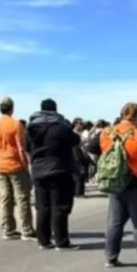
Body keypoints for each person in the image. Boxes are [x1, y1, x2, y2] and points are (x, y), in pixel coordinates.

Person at [87, 103, 137, 271]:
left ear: (121, 114)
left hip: (115, 183)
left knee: (114, 223)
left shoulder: (106, 132)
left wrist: (105, 164)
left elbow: (91, 150)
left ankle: (111, 258)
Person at [27, 100, 79, 251]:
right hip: (59, 169)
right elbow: (76, 140)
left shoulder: (32, 128)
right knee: (60, 206)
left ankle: (43, 241)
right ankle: (61, 241)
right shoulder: (61, 126)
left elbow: (27, 148)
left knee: (42, 206)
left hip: (38, 170)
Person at [0, 97, 36, 240]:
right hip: (15, 164)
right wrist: (25, 164)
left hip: (0, 164)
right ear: (12, 108)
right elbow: (20, 147)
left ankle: (8, 229)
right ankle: (27, 230)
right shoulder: (16, 125)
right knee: (22, 197)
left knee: (5, 198)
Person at [71, 118, 89, 198]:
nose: (82, 125)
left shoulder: (80, 133)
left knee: (82, 172)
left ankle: (81, 191)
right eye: (80, 124)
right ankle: (78, 192)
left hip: (82, 153)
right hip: (76, 153)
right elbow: (76, 144)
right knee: (79, 172)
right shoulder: (73, 133)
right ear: (76, 124)